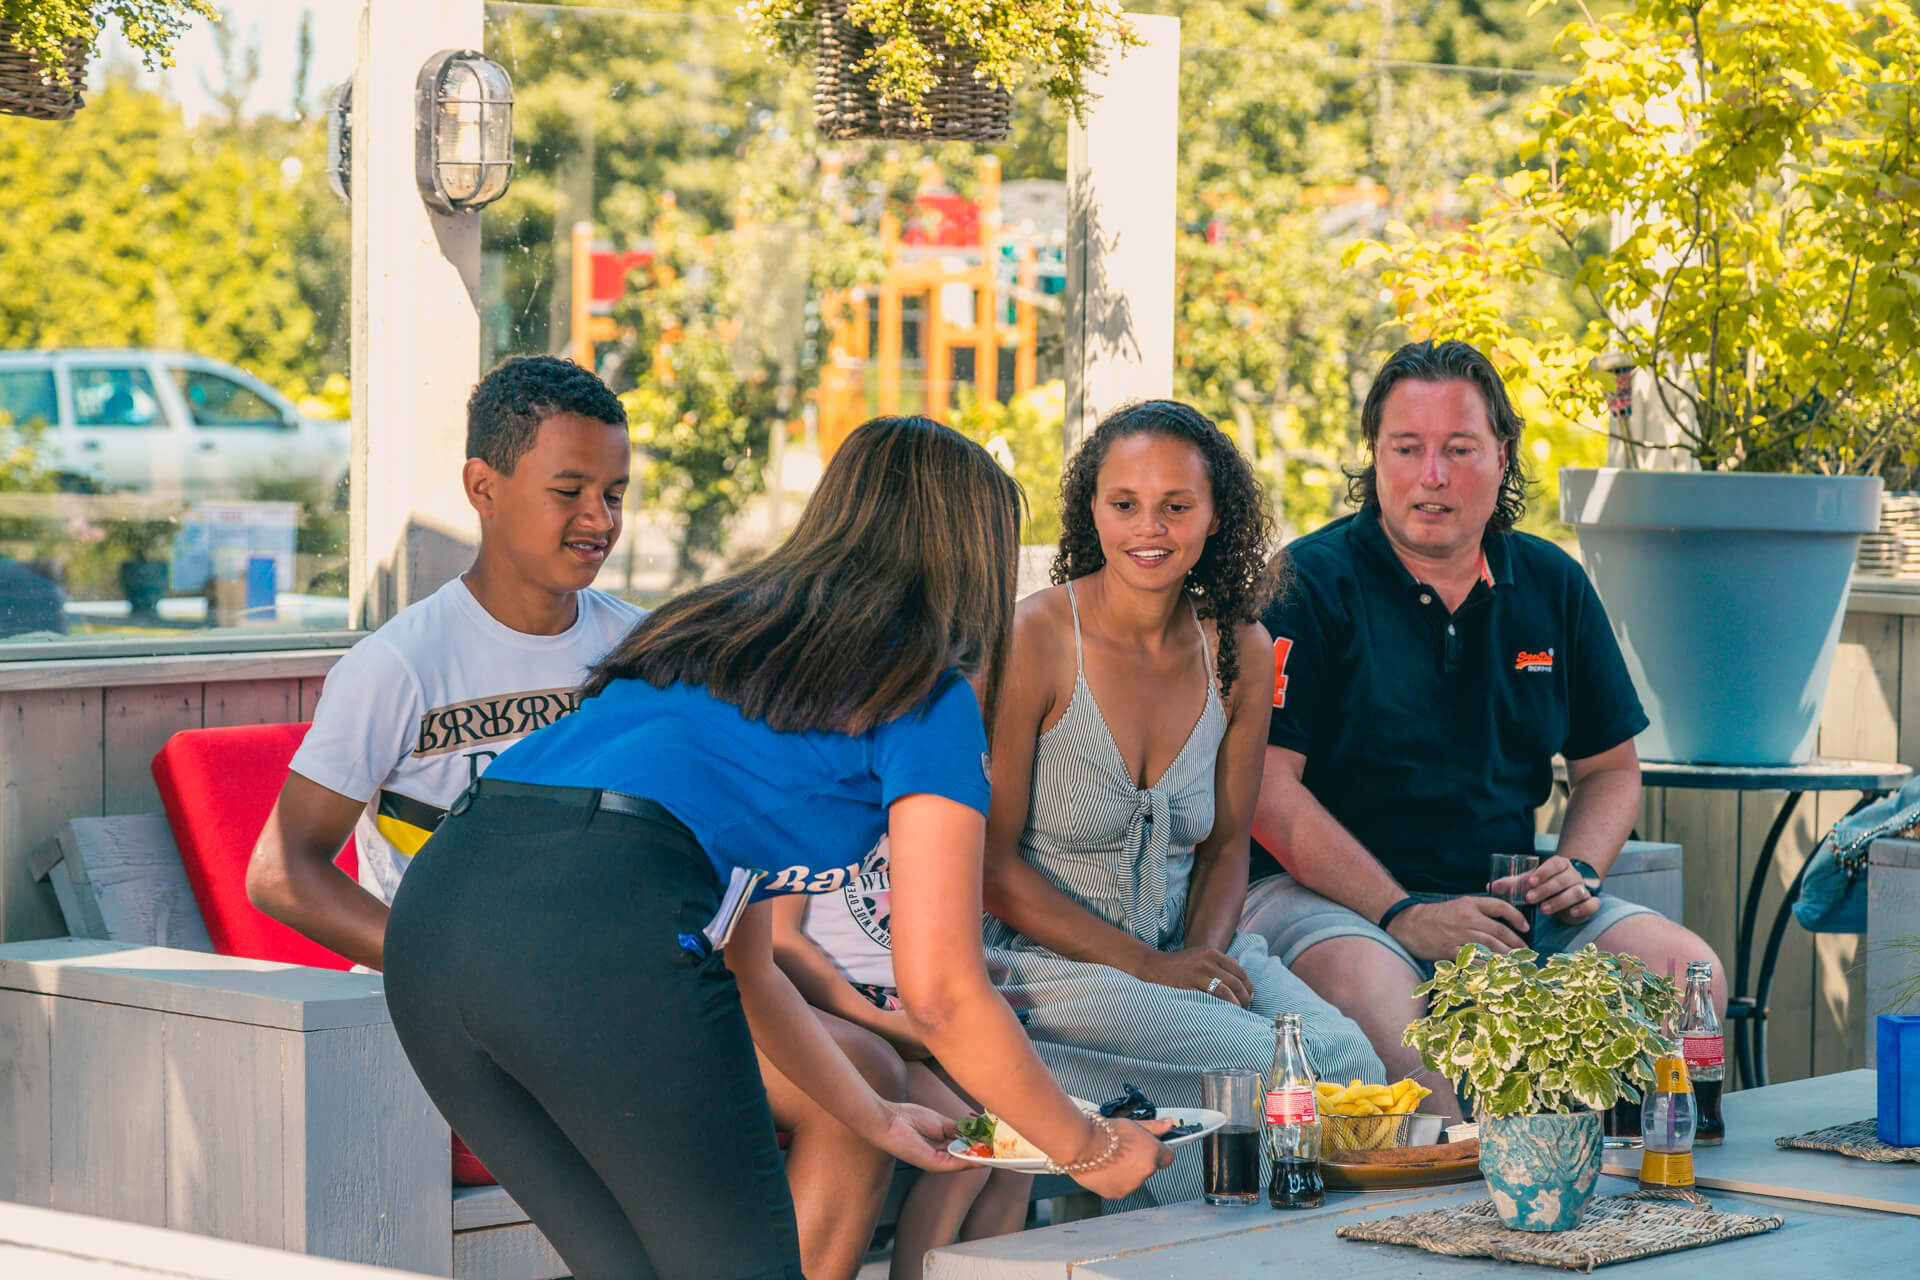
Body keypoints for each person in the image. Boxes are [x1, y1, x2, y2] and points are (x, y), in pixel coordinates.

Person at [380, 416, 1174, 1280]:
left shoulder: (717, 636)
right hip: (600, 921)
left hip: (435, 930)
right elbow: (943, 991)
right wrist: (1090, 1149)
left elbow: (748, 966)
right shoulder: (924, 693)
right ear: (973, 560)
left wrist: (873, 1115)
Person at [1239, 339, 1724, 1120]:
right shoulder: (1305, 584)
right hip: (1328, 901)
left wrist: (1580, 869)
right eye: (1408, 448)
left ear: (1502, 457)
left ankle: (1628, 1212)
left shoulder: (1550, 582)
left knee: (1686, 972)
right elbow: (1266, 791)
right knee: (1400, 1015)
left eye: (1459, 449)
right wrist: (1406, 913)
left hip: (1506, 900)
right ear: (1375, 457)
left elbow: (1608, 767)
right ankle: (1461, 1216)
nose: (1432, 475)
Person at [981, 400, 1382, 1209]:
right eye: (1123, 503)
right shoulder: (1034, 638)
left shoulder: (1239, 648)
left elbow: (1229, 842)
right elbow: (991, 870)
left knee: (1347, 1060)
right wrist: (1157, 973)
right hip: (1046, 971)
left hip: (1184, 950)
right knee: (1254, 1063)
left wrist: (1199, 962)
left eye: (1176, 505)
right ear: (1090, 508)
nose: (1147, 527)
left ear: (1215, 515)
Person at [247, 354, 643, 968]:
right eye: (569, 491)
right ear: (483, 487)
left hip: (602, 992)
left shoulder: (644, 648)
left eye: (614, 495)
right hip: (435, 1023)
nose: (599, 519)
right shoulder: (398, 664)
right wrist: (454, 969)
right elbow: (283, 871)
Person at [772, 843, 1032, 1280]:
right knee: (969, 1151)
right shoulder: (810, 809)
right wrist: (879, 1021)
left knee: (1020, 1148)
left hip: (916, 1007)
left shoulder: (926, 811)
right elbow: (780, 940)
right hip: (839, 1012)